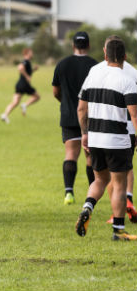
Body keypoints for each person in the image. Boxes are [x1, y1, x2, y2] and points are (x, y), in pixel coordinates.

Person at [75, 39, 137, 241]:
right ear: (125, 57)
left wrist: (85, 134)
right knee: (119, 184)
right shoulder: (126, 79)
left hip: (95, 137)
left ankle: (87, 207)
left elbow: (81, 109)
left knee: (100, 179)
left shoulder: (93, 77)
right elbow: (134, 115)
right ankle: (118, 231)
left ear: (104, 54)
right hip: (117, 139)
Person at [92, 35, 137, 223]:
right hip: (130, 129)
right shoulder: (133, 72)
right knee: (126, 167)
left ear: (105, 52)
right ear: (125, 55)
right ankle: (128, 200)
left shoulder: (96, 71)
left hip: (103, 130)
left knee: (112, 174)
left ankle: (116, 213)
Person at [52, 31, 98, 205]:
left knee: (70, 153)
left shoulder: (62, 64)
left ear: (73, 46)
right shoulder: (95, 66)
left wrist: (65, 103)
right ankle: (92, 191)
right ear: (88, 45)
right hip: (91, 117)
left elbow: (56, 91)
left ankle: (68, 192)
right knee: (90, 156)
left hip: (69, 115)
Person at [1, 48, 40, 123]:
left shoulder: (27, 62)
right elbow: (20, 67)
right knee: (37, 96)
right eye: (31, 52)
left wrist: (33, 70)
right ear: (27, 53)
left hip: (20, 84)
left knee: (15, 102)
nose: (32, 54)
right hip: (24, 84)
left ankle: (5, 115)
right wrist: (27, 77)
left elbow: (26, 71)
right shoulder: (26, 61)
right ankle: (25, 105)